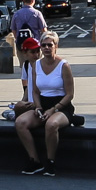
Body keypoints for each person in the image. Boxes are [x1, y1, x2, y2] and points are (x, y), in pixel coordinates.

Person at [14, 32, 75, 176]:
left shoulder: (64, 65)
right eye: (44, 45)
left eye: (50, 45)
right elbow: (35, 91)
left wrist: (53, 109)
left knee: (51, 124)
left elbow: (70, 94)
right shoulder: (36, 66)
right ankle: (34, 160)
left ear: (56, 47)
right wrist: (39, 107)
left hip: (61, 106)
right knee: (20, 122)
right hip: (42, 104)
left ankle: (50, 162)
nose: (46, 48)